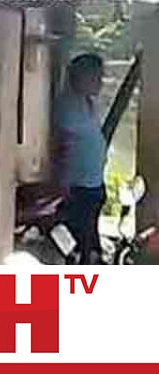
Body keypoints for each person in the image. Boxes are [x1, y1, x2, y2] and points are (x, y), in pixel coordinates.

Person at [53, 53, 109, 265]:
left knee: (91, 242)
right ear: (81, 76)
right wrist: (63, 183)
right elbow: (62, 147)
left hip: (93, 184)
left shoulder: (87, 103)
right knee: (81, 243)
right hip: (78, 187)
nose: (100, 82)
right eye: (96, 77)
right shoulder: (67, 106)